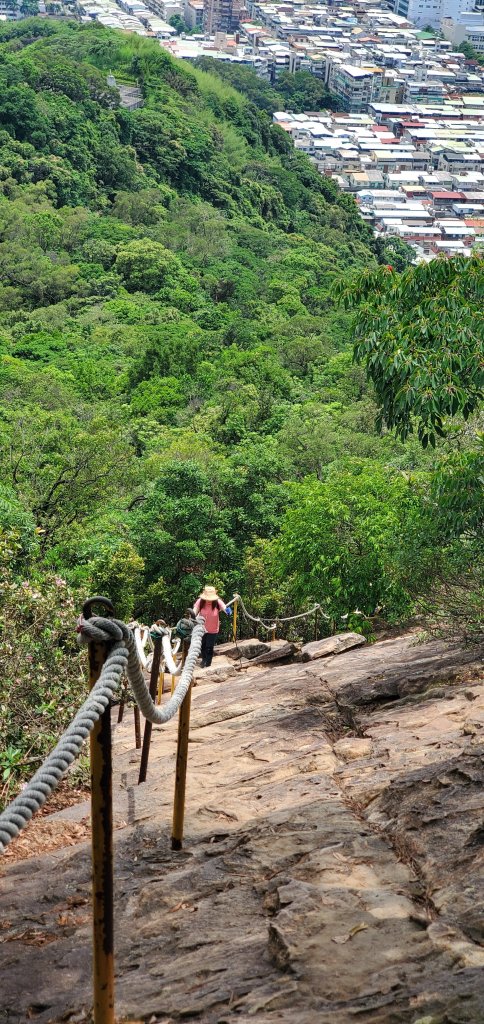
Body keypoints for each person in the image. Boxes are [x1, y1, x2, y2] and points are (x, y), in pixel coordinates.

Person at [193, 585, 232, 668]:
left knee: (209, 647)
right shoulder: (200, 601)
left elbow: (224, 607)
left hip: (213, 629)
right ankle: (204, 660)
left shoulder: (217, 602)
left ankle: (208, 663)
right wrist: (192, 617)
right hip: (202, 628)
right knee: (202, 645)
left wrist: (228, 611)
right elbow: (195, 610)